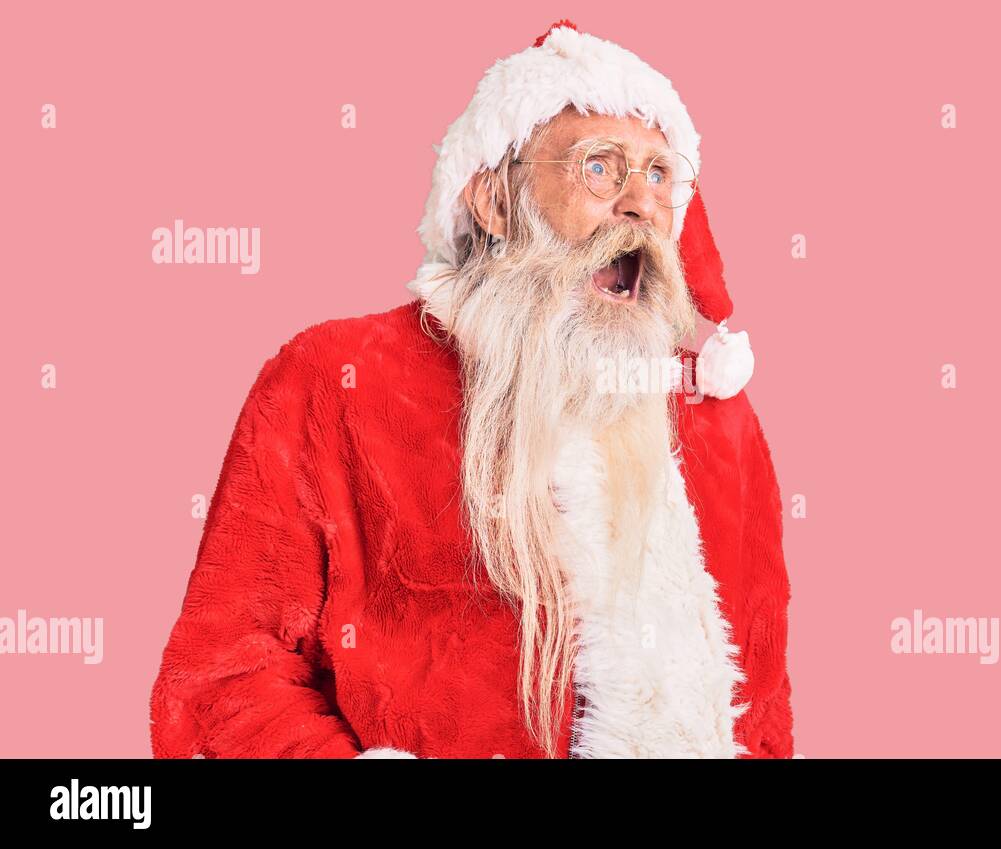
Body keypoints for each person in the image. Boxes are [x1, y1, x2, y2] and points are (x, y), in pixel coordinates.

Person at [148, 19, 793, 759]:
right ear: (493, 200)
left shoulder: (715, 418)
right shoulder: (334, 378)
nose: (641, 205)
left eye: (657, 174)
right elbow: (225, 670)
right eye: (600, 168)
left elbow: (764, 713)